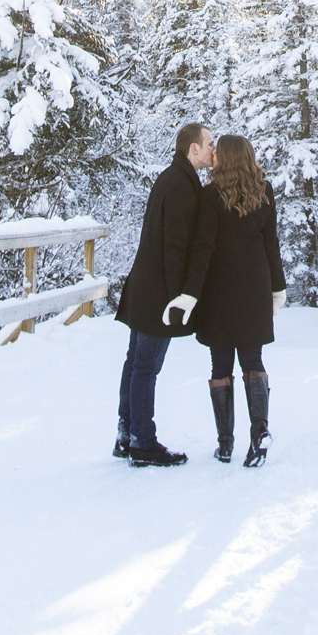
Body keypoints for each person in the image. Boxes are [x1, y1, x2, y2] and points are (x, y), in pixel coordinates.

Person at [112, 121, 217, 467]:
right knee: (145, 367)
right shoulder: (179, 185)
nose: (213, 150)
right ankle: (142, 443)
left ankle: (127, 435)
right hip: (158, 293)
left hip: (145, 286)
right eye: (210, 144)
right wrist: (179, 299)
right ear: (193, 149)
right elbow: (174, 246)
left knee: (135, 363)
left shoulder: (174, 179)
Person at [181, 133, 288, 466]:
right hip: (254, 287)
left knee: (220, 364)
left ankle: (225, 443)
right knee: (253, 360)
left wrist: (190, 292)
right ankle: (259, 436)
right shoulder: (265, 192)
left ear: (224, 159)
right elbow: (272, 245)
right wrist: (277, 288)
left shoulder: (210, 196)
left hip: (219, 290)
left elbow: (203, 248)